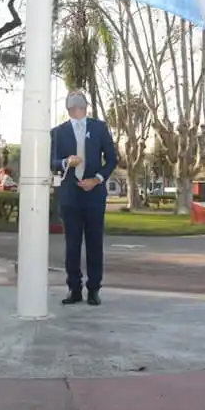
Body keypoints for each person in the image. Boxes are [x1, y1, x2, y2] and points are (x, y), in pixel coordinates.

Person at [50, 91, 117, 306]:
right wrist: (65, 162)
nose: (77, 110)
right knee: (72, 244)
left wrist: (97, 180)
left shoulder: (99, 128)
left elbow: (112, 159)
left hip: (94, 194)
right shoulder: (58, 132)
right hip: (70, 194)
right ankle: (74, 288)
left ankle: (94, 289)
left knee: (94, 243)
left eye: (80, 106)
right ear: (68, 109)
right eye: (72, 107)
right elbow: (51, 161)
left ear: (86, 108)